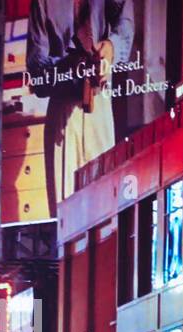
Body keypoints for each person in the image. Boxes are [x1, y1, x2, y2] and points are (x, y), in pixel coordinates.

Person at [27, 0, 136, 215]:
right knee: (64, 213)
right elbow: (36, 68)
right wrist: (71, 67)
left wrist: (112, 47)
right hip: (63, 110)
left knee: (105, 210)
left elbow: (125, 21)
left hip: (100, 104)